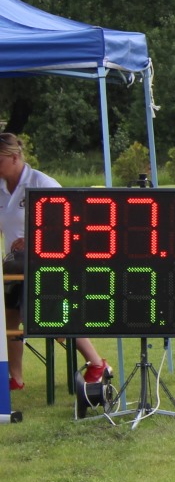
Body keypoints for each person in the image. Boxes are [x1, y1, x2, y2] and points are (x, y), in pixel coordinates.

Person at [0, 133, 112, 390]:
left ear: (14, 157)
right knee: (9, 319)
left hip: (49, 266)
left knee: (53, 320)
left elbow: (69, 225)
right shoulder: (1, 189)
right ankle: (15, 377)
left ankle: (97, 364)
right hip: (14, 269)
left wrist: (32, 240)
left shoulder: (42, 183)